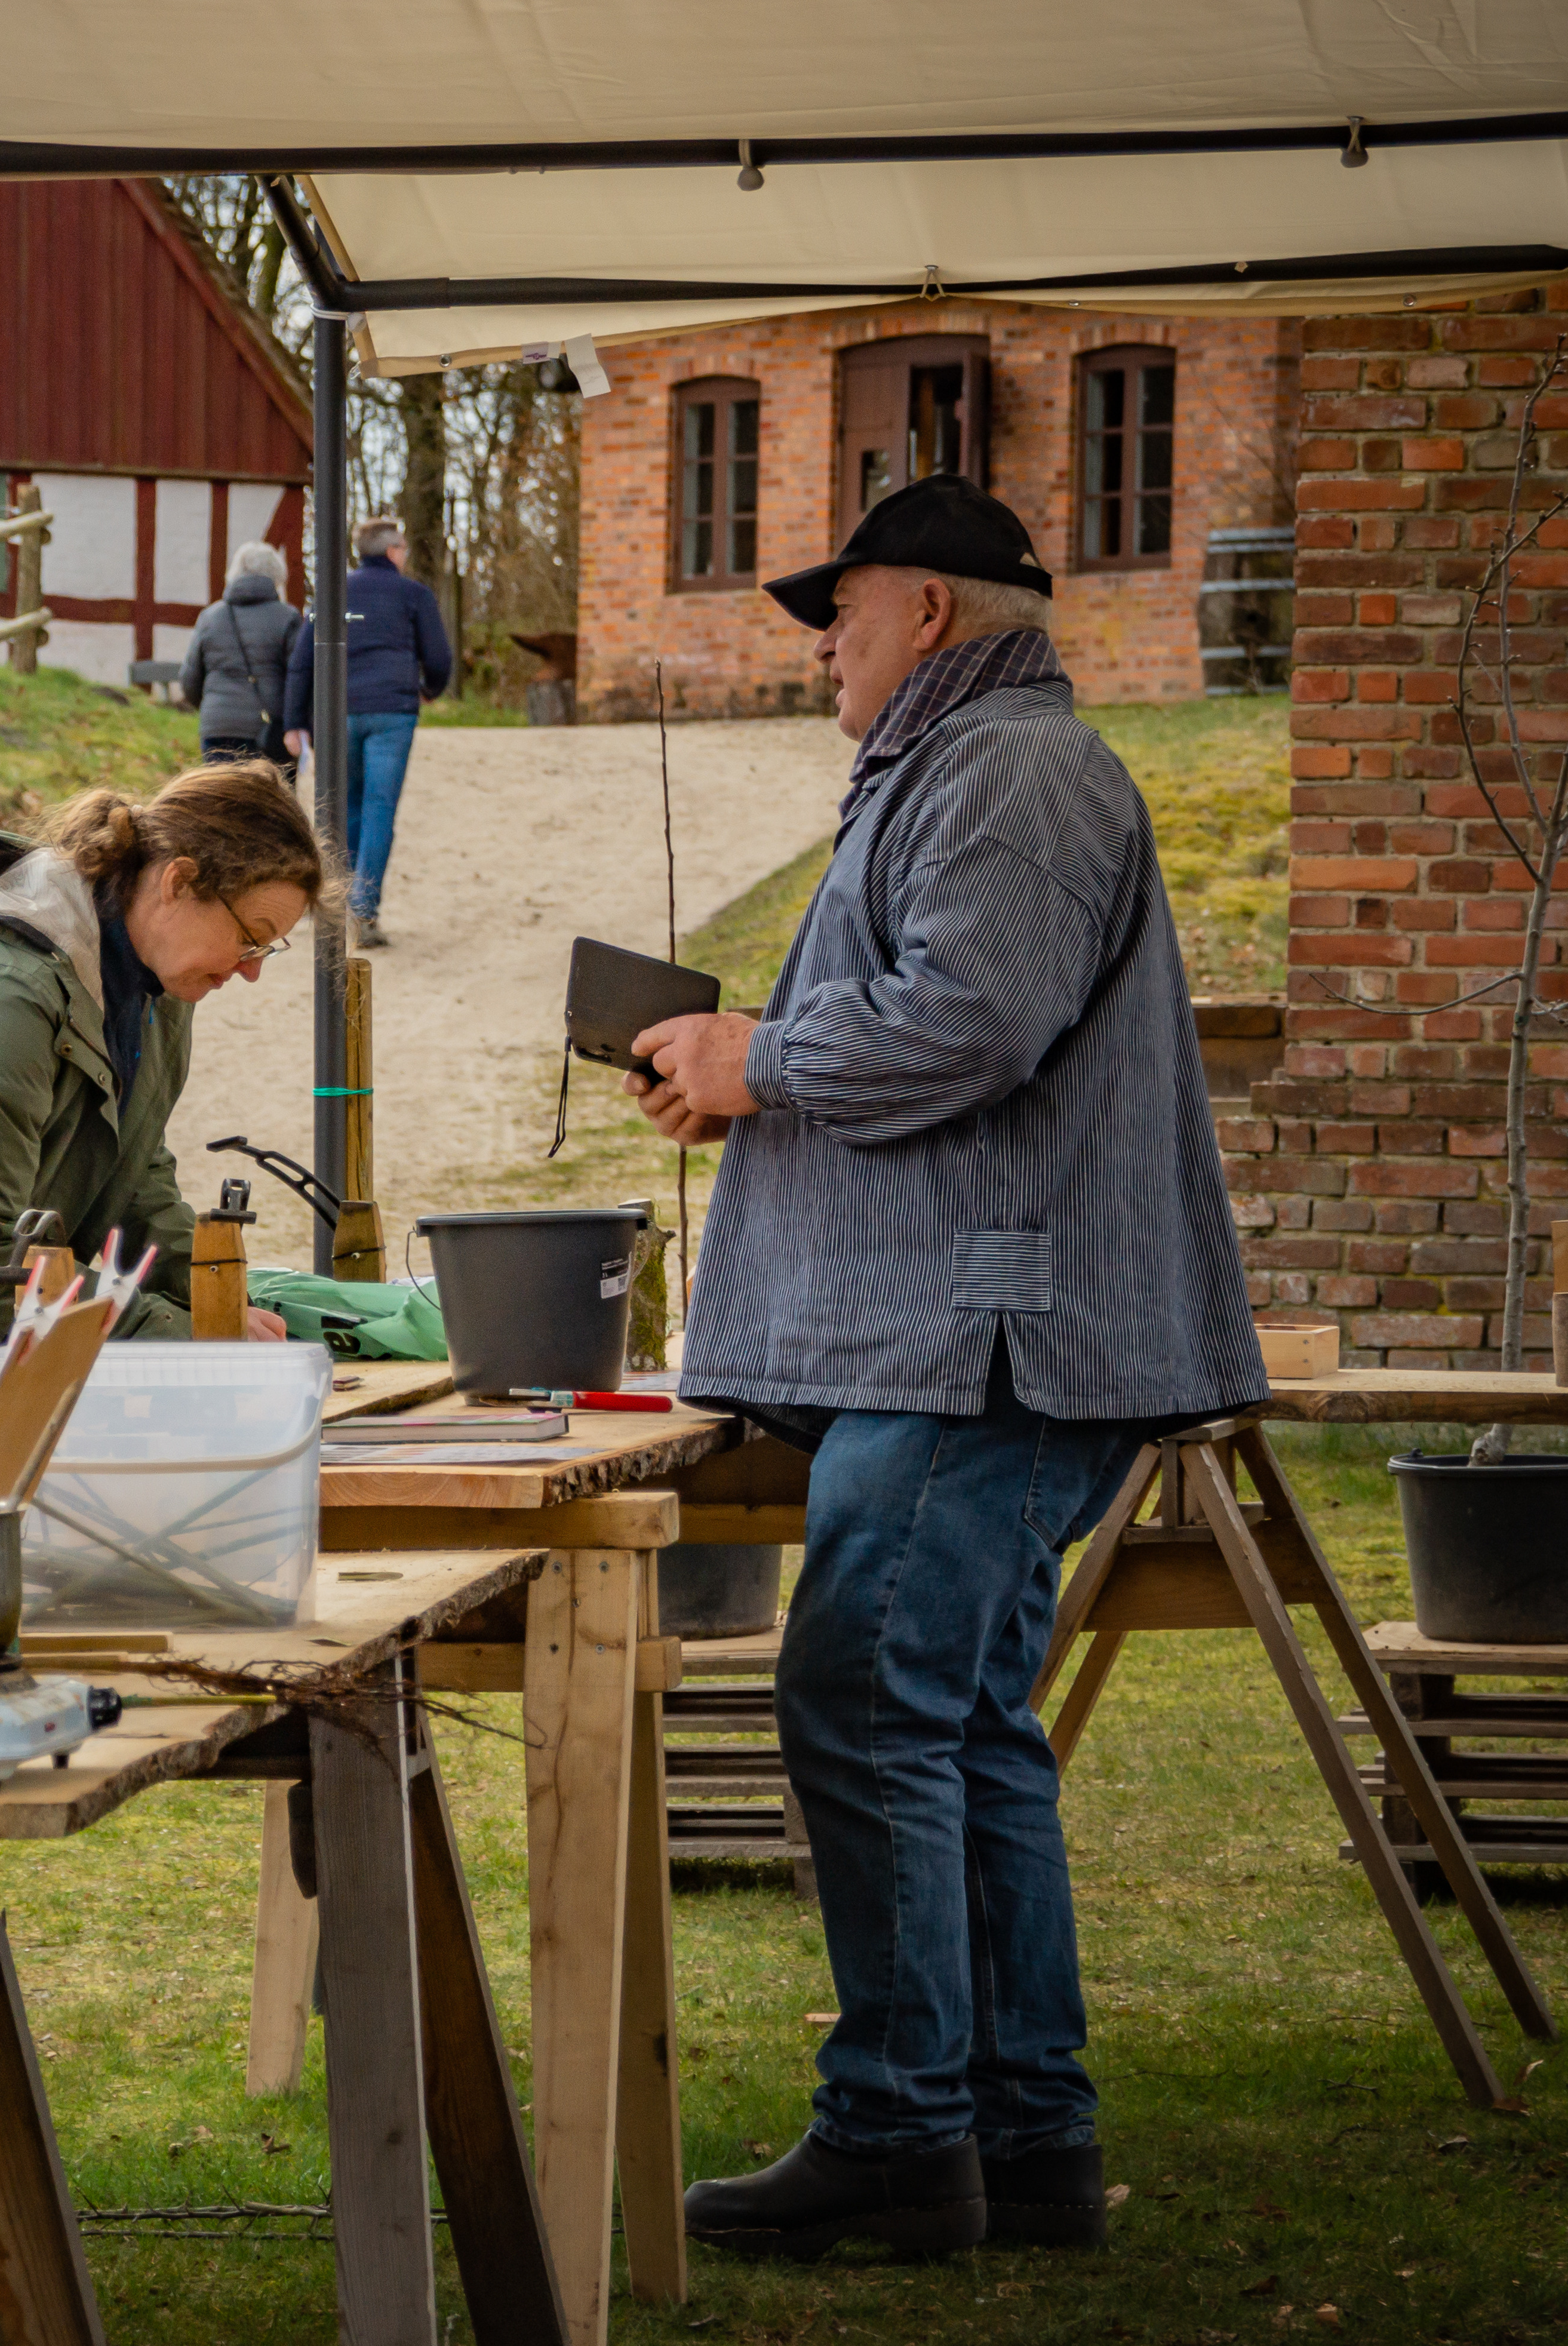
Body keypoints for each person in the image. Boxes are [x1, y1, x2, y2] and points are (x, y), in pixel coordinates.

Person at [628, 475, 1266, 2262]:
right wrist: (741, 1058)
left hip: (975, 1346)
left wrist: (761, 1056)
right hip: (966, 1338)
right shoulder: (970, 769)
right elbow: (928, 1022)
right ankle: (1019, 2142)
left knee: (866, 1709)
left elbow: (967, 1022)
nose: (820, 644)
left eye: (838, 608)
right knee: (962, 1729)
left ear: (922, 608)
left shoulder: (1011, 772)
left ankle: (905, 2134)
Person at [0, 761, 331, 1432]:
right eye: (249, 935)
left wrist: (219, 1295)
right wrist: (181, 1337)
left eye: (270, 947)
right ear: (177, 881)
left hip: (1, 1370)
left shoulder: (158, 981)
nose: (252, 970)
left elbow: (129, 1171)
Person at [282, 513, 451, 948]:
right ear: (393, 552)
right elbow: (438, 656)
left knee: (344, 807)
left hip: (335, 715)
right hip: (392, 713)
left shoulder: (333, 594)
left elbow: (303, 661)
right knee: (379, 807)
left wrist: (294, 721)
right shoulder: (413, 594)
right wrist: (429, 689)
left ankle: (336, 901)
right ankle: (362, 910)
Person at [180, 539, 302, 768]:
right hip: (269, 731)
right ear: (277, 576)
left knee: (223, 800)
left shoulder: (210, 617)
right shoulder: (288, 617)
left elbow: (189, 680)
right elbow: (298, 677)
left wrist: (213, 706)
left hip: (218, 728)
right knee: (270, 802)